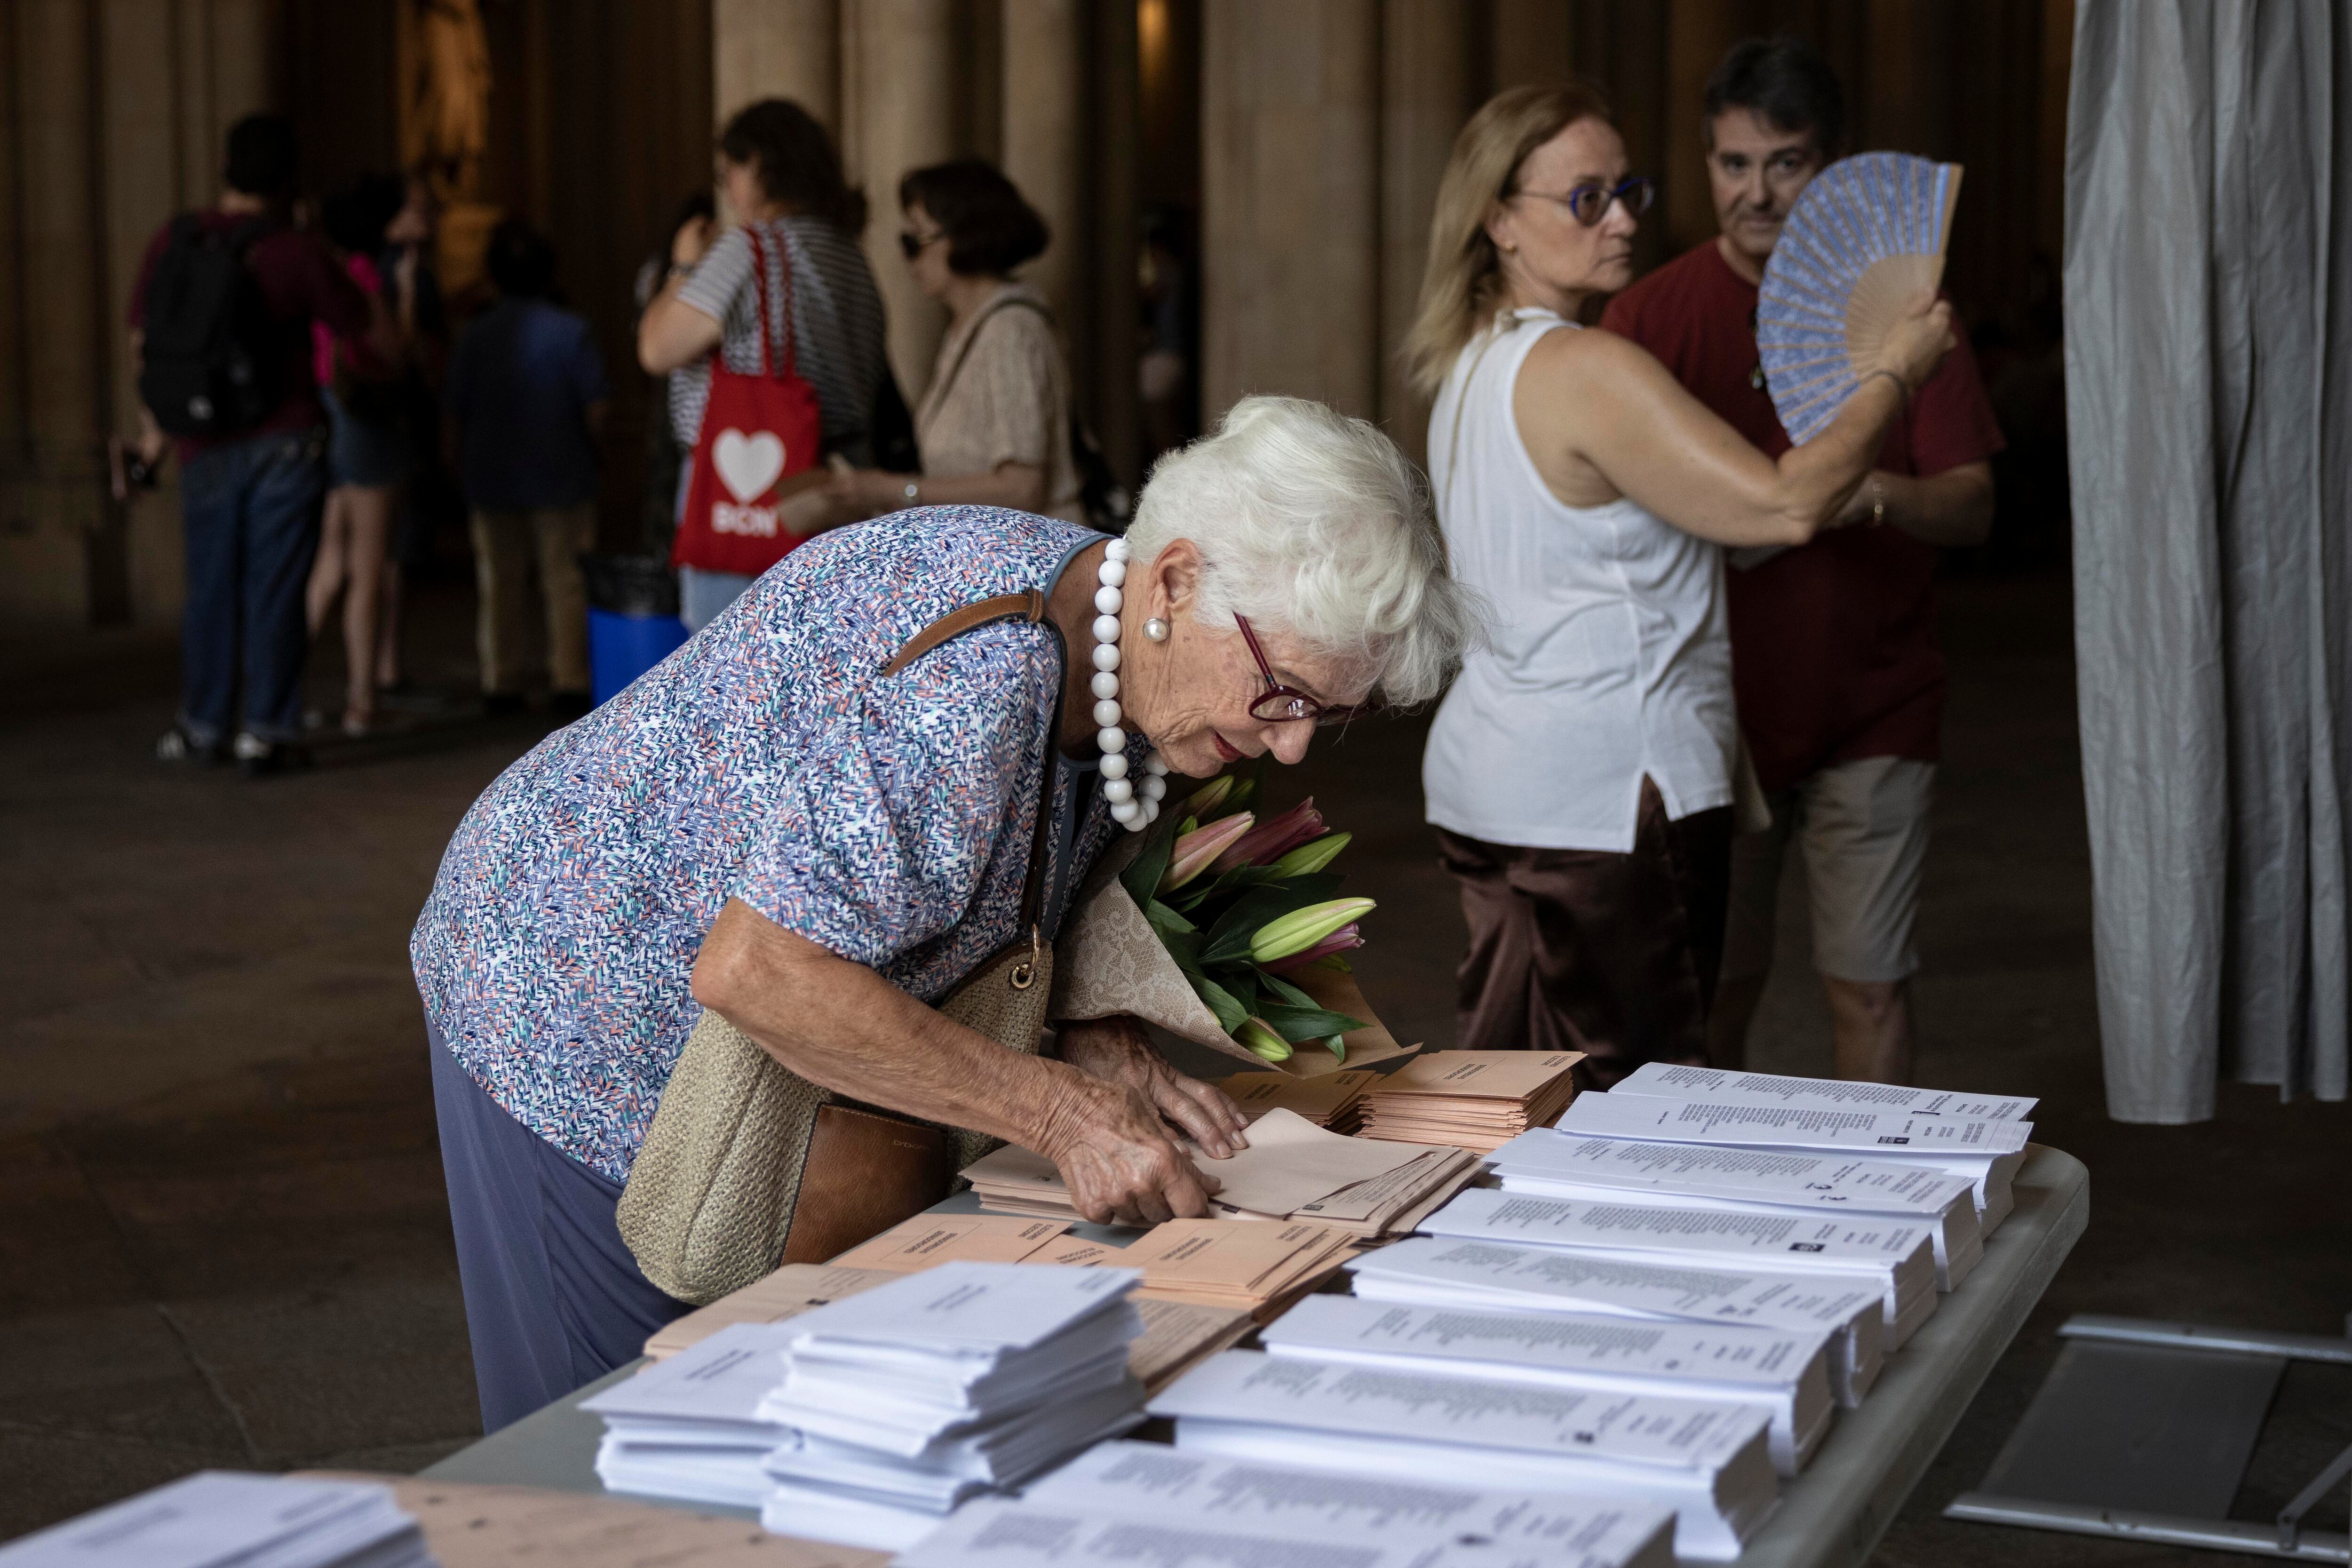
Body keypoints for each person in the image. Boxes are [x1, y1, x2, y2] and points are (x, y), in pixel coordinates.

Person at [410, 395, 1475, 1429]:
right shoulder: (981, 682)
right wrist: (1060, 1112)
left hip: (714, 1034)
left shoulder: (1125, 630)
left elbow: (1033, 851)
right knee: (614, 1441)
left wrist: (1089, 1031)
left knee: (739, 1421)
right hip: (566, 997)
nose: (1291, 744)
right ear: (1180, 579)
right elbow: (759, 971)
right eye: (1283, 692)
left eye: (1327, 717)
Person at [1406, 82, 1951, 1087]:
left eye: (1629, 190)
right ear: (1499, 220)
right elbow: (1786, 505)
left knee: (1516, 1104)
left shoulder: (1469, 364)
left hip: (1495, 785)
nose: (1621, 220)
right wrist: (1895, 372)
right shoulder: (1586, 366)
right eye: (1585, 199)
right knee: (1639, 1112)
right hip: (1610, 799)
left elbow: (1619, 545)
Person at [1601, 38, 2002, 1084]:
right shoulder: (1646, 319)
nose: (1758, 192)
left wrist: (1878, 493)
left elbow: (1972, 507)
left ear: (1832, 163)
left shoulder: (1906, 312)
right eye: (1734, 164)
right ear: (1705, 164)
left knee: (1867, 983)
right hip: (1712, 717)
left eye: (1786, 162)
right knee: (1719, 990)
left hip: (1875, 704)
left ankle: (1888, 1222)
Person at [131, 113, 394, 776]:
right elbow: (363, 324)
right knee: (275, 589)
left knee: (211, 588)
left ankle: (202, 724)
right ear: (288, 179)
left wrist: (153, 435)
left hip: (199, 439)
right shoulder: (291, 249)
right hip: (281, 438)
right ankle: (268, 730)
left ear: (225, 168)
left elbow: (147, 345)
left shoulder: (176, 237)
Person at [638, 98, 888, 632]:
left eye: (729, 170)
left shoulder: (751, 249)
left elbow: (657, 349)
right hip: (840, 483)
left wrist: (683, 265)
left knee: (729, 668)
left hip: (754, 493)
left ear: (757, 166)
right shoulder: (852, 258)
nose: (728, 188)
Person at [828, 159, 1083, 523]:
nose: (908, 257)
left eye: (915, 240)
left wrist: (895, 490)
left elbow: (1023, 486)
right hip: (992, 554)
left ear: (966, 236)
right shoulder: (967, 327)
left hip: (1032, 562)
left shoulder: (1011, 330)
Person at [445, 219, 611, 719]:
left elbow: (454, 409)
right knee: (565, 581)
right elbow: (597, 408)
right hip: (562, 472)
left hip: (492, 474)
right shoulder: (571, 330)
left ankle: (503, 679)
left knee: (499, 582)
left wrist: (452, 463)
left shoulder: (476, 334)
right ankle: (569, 678)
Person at [304, 174, 414, 738]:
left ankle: (283, 693)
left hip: (329, 410)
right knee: (368, 567)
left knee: (329, 561)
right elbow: (394, 352)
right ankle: (361, 701)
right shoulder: (368, 274)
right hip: (366, 420)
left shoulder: (326, 267)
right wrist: (410, 290)